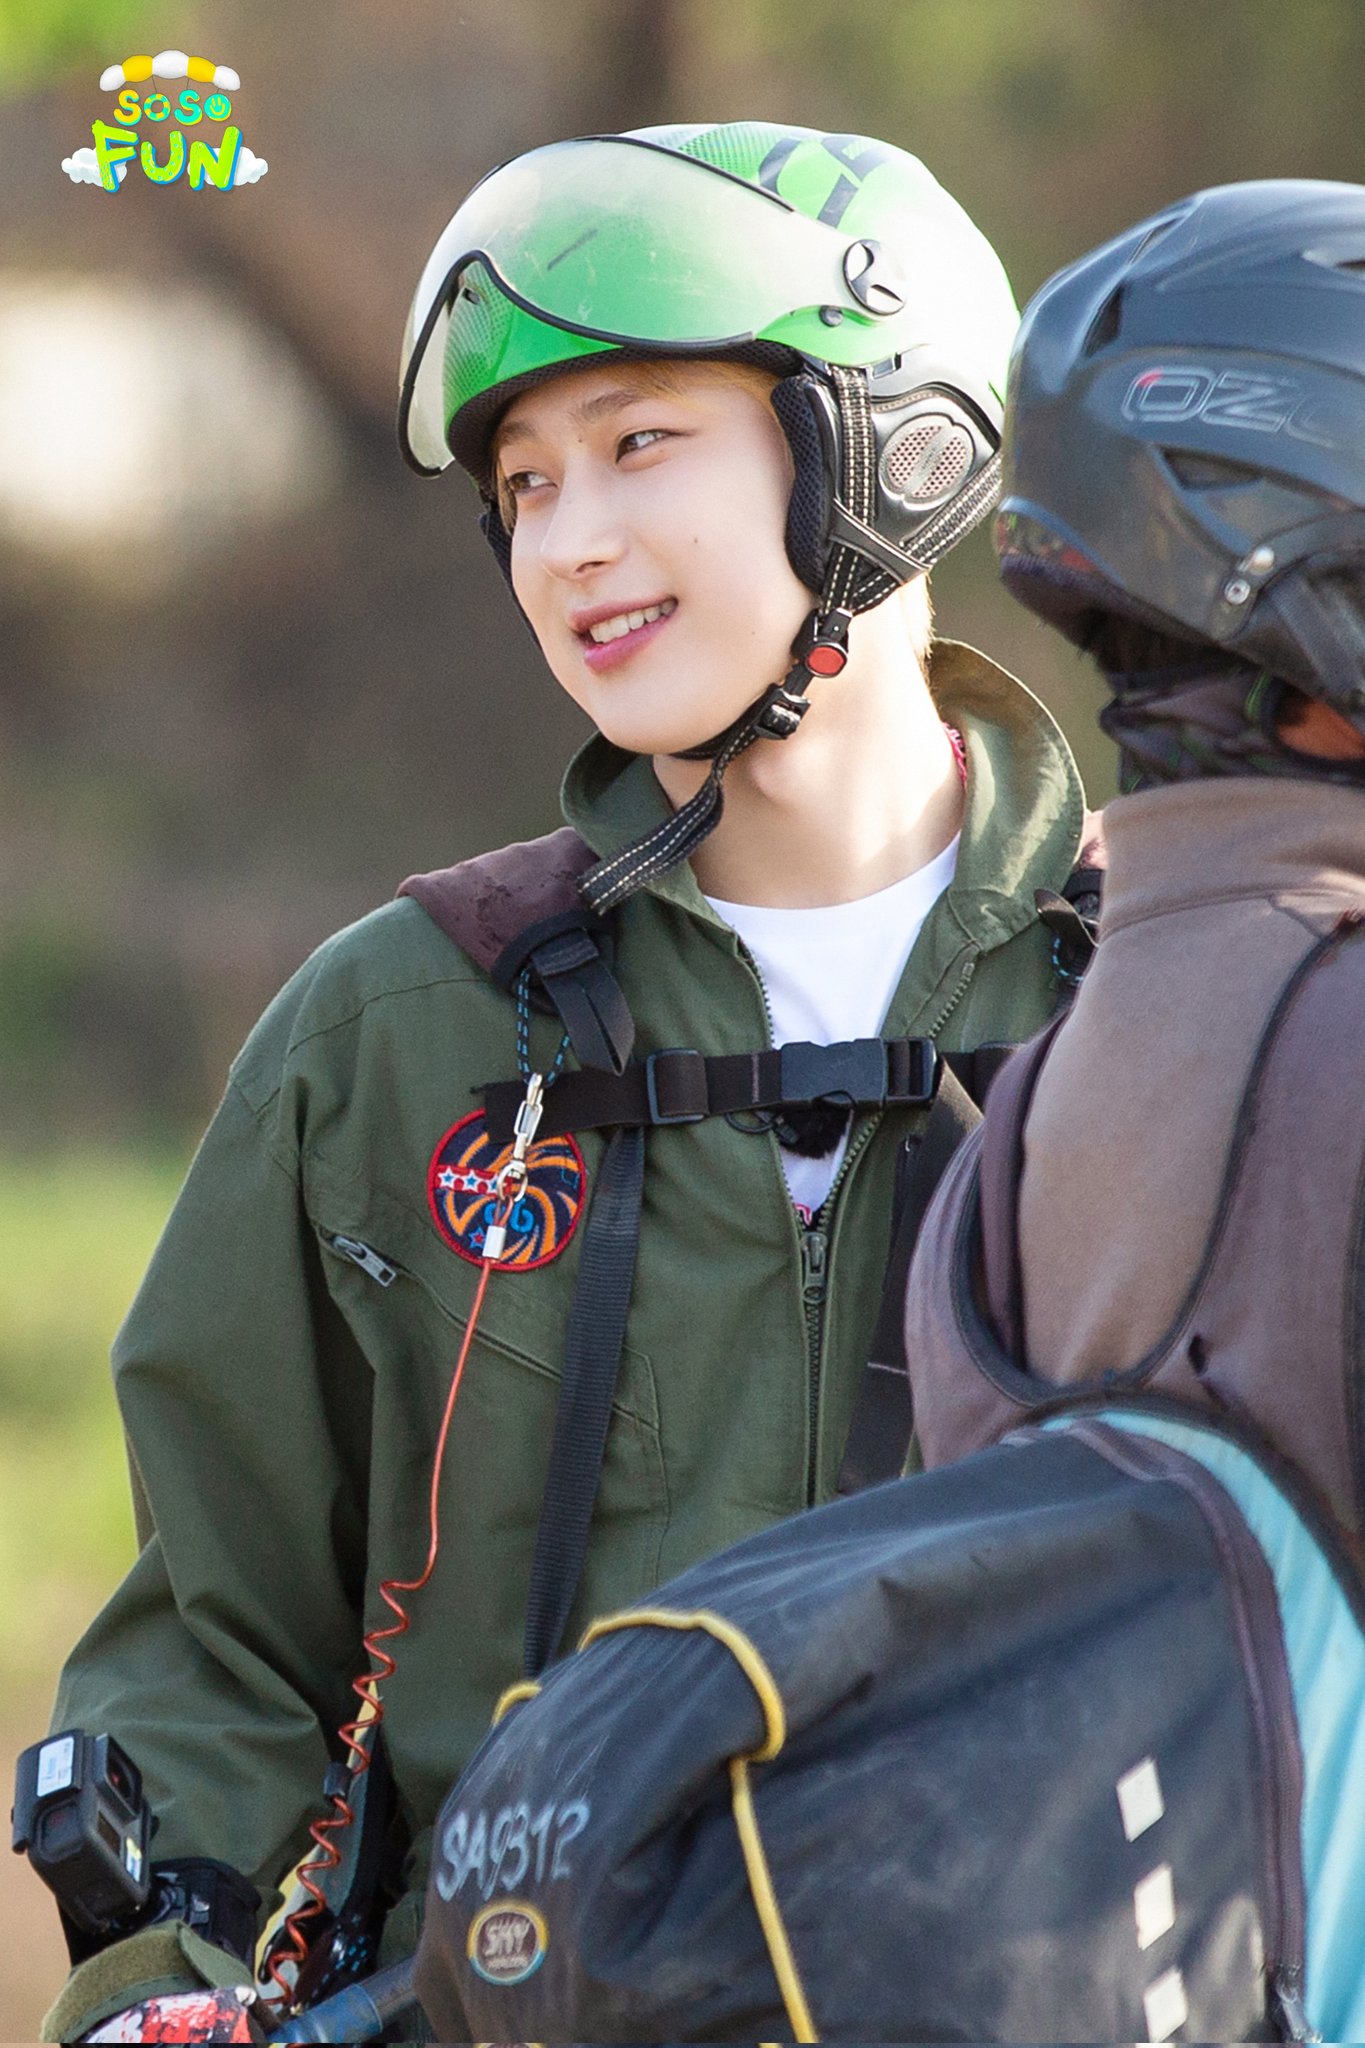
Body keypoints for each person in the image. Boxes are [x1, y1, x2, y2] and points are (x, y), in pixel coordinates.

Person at [40, 122, 1094, 2044]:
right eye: (523, 484)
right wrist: (159, 1986)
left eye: (638, 444)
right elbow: (216, 1639)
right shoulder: (403, 1030)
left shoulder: (1175, 1007)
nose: (565, 541)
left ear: (890, 451)